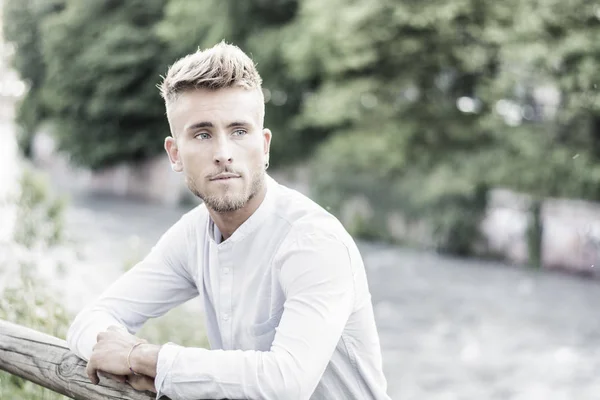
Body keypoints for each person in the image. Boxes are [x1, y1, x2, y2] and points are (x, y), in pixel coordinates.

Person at [66, 41, 391, 400]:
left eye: (238, 131)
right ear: (175, 154)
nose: (223, 154)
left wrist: (147, 360)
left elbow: (286, 382)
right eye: (202, 135)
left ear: (264, 147)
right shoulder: (193, 235)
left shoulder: (314, 241)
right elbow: (91, 319)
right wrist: (127, 359)